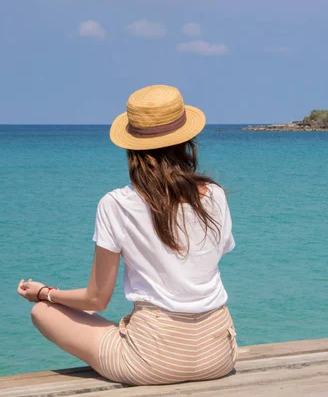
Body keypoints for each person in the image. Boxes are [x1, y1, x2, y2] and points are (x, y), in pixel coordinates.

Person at [16, 85, 238, 385]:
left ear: (132, 146)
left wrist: (45, 293)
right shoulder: (213, 195)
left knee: (44, 313)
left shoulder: (117, 203)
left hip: (154, 361)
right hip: (219, 354)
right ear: (187, 140)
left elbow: (96, 299)